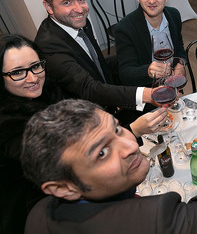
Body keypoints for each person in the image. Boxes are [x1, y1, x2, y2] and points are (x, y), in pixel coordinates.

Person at [21, 99, 197, 234]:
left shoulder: (38, 213)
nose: (132, 146)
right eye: (102, 153)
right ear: (63, 188)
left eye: (117, 129)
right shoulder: (158, 219)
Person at [34, 0, 157, 125]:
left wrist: (139, 59)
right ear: (49, 7)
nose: (79, 9)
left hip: (109, 107)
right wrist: (146, 94)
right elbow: (89, 88)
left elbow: (96, 63)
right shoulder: (48, 45)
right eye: (67, 2)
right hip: (84, 122)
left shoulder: (79, 22)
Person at [0, 34, 64, 234]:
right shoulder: (7, 123)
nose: (33, 77)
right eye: (18, 72)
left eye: (36, 66)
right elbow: (56, 162)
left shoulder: (47, 90)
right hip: (34, 210)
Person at [115, 0, 187, 87]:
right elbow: (125, 74)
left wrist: (180, 63)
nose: (151, 0)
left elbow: (179, 47)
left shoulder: (174, 15)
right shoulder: (125, 28)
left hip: (172, 86)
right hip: (148, 93)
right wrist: (147, 71)